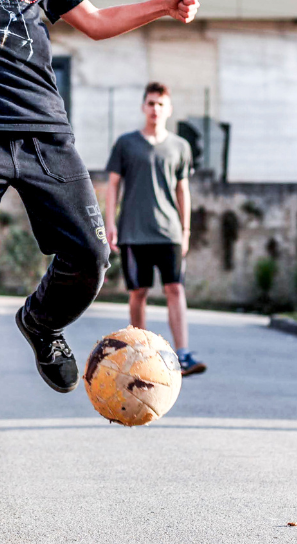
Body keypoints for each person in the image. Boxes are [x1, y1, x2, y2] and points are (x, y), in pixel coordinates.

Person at [0, 0, 200, 458]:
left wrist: (164, 5)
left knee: (91, 254)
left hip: (45, 133)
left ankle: (41, 322)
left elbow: (97, 22)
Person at [105, 82, 206, 376]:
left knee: (175, 287)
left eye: (161, 104)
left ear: (169, 109)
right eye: (151, 103)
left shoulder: (180, 147)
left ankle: (183, 354)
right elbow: (113, 185)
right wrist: (110, 223)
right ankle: (140, 354)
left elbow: (182, 189)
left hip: (169, 231)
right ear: (143, 107)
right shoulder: (126, 144)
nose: (155, 109)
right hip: (133, 232)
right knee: (139, 292)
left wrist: (185, 231)